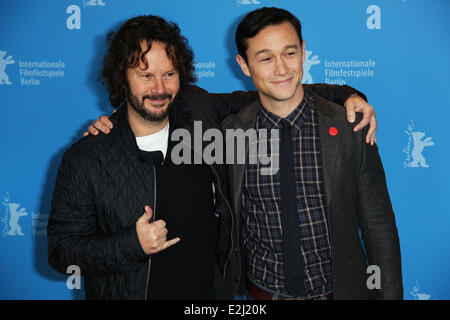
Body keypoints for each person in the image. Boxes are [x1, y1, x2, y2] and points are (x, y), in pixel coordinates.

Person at [49, 14, 376, 300]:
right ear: (122, 77)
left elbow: (274, 91)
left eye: (169, 74)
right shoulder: (88, 157)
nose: (159, 87)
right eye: (145, 75)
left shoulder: (200, 113)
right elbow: (61, 252)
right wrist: (130, 244)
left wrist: (347, 95)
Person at [220, 7, 402, 300]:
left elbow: (379, 228)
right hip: (261, 296)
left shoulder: (349, 129)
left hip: (341, 293)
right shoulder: (230, 134)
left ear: (303, 51)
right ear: (243, 65)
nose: (281, 69)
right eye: (265, 58)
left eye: (289, 53)